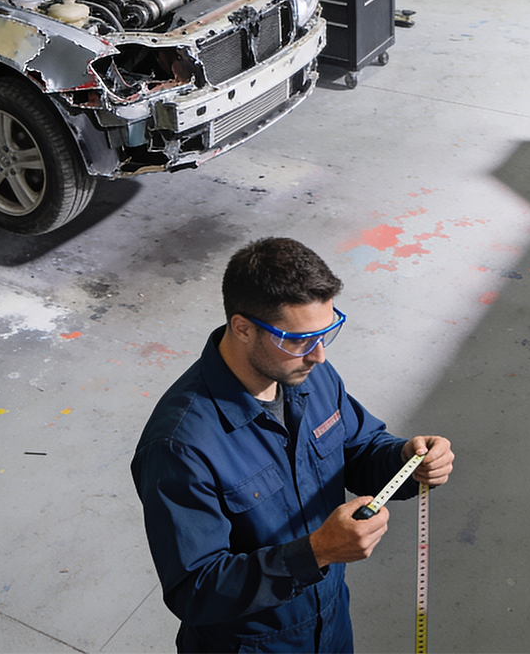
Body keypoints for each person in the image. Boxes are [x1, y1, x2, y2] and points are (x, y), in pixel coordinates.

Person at [132, 238, 455, 654]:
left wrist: (405, 460)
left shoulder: (307, 375)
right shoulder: (180, 445)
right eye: (299, 339)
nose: (319, 355)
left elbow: (358, 447)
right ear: (242, 327)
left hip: (331, 624)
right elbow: (195, 589)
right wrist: (316, 552)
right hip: (251, 645)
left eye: (327, 330)